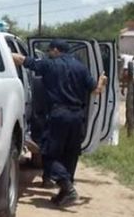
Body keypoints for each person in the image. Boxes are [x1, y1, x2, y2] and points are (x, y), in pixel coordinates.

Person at [12, 39, 107, 207]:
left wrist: (3, 53)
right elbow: (96, 91)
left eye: (50, 51)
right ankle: (64, 193)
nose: (49, 53)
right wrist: (102, 81)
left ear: (56, 50)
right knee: (70, 155)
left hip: (59, 115)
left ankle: (67, 187)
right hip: (77, 117)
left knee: (48, 155)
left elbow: (22, 60)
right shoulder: (81, 68)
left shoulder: (50, 65)